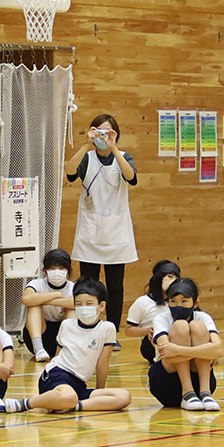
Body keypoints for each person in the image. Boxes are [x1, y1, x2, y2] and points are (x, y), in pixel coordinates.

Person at [65, 114, 139, 347]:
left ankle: (112, 333)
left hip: (117, 232)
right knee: (89, 285)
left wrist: (114, 148)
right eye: (99, 132)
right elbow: (69, 171)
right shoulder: (87, 158)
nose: (103, 137)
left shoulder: (123, 157)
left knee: (115, 287)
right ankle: (88, 330)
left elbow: (131, 177)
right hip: (90, 232)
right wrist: (87, 143)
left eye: (108, 132)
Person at [5, 278, 132, 414]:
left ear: (101, 306)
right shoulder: (67, 325)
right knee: (68, 396)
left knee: (124, 397)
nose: (84, 307)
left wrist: (100, 391)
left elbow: (102, 363)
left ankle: (73, 406)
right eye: (79, 304)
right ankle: (26, 403)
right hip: (57, 375)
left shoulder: (107, 328)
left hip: (79, 384)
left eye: (89, 303)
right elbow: (58, 356)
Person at [148, 278, 223, 412]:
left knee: (197, 327)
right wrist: (205, 352)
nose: (178, 306)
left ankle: (206, 393)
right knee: (180, 326)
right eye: (173, 301)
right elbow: (167, 353)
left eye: (184, 301)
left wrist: (177, 349)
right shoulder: (161, 318)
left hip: (200, 381)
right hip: (166, 381)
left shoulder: (203, 317)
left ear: (195, 303)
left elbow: (219, 350)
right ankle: (187, 393)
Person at [21, 248, 75, 362]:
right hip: (41, 334)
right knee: (34, 305)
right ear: (45, 270)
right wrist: (57, 294)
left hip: (62, 337)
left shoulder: (72, 287)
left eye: (61, 268)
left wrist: (47, 300)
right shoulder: (37, 284)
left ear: (68, 270)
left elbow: (77, 302)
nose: (57, 272)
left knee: (72, 309)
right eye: (52, 268)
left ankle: (63, 349)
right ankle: (38, 348)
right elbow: (26, 299)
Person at [125, 260, 180, 364]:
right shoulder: (142, 302)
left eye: (176, 278)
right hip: (151, 344)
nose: (173, 281)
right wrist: (147, 331)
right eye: (169, 276)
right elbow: (129, 330)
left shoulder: (179, 301)